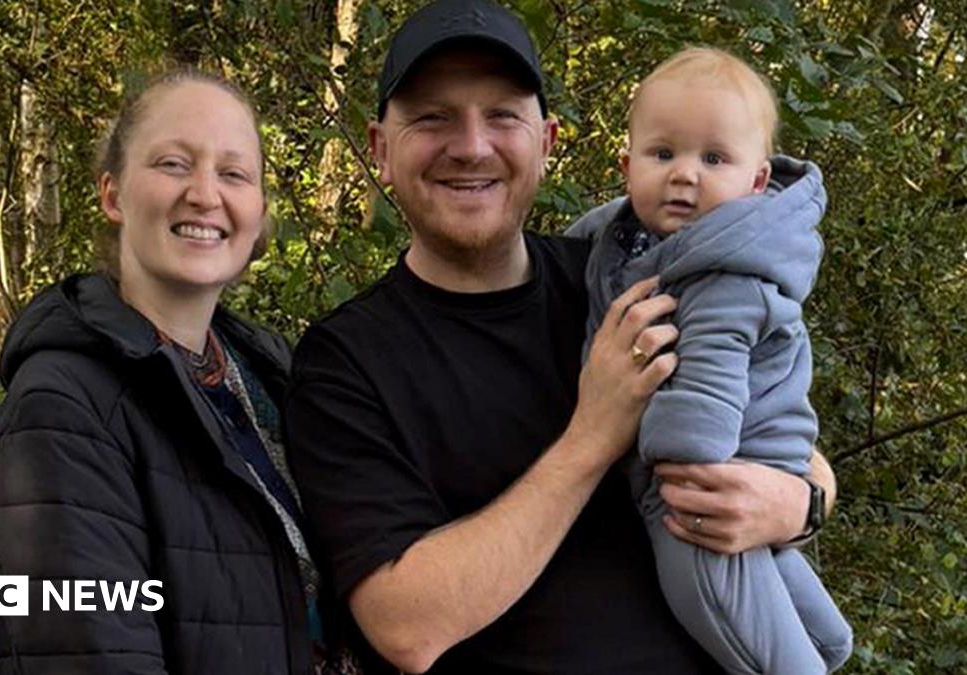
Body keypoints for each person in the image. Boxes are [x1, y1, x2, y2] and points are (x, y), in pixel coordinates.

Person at [284, 1, 838, 673]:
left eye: (502, 116)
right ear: (378, 148)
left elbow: (792, 443)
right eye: (433, 117)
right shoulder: (345, 361)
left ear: (546, 142)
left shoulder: (618, 279)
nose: (470, 145)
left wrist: (794, 504)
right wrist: (593, 435)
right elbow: (407, 627)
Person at [0, 68, 355, 674]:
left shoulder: (271, 378)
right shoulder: (62, 412)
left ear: (258, 212)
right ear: (113, 193)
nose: (206, 194)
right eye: (174, 164)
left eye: (233, 173)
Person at [574, 46, 852, 673]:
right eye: (662, 153)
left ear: (757, 182)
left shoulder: (725, 274)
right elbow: (601, 242)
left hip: (701, 487)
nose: (684, 175)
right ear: (626, 166)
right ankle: (827, 643)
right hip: (754, 472)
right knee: (772, 578)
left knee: (720, 604)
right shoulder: (638, 242)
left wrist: (677, 460)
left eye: (713, 158)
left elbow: (710, 382)